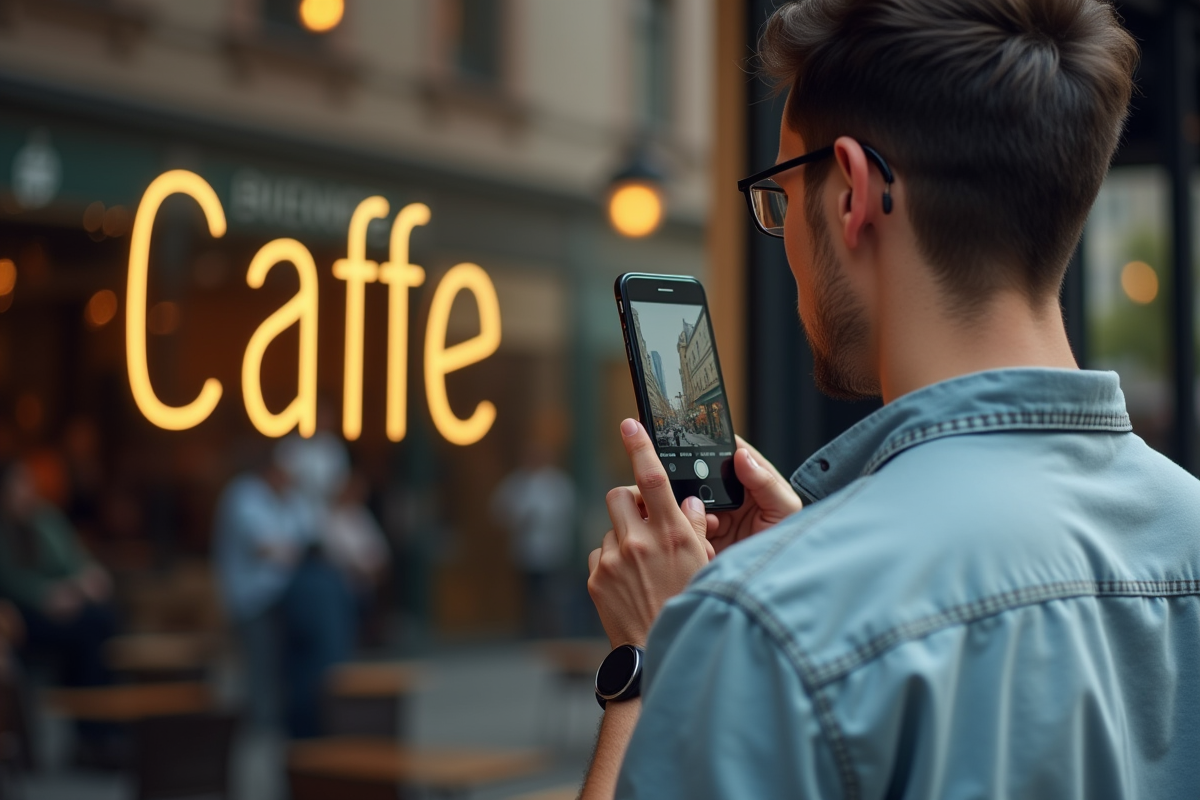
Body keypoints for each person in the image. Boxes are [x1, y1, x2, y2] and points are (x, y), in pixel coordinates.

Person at [581, 2, 1200, 798]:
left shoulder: (763, 630)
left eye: (779, 195)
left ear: (852, 193)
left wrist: (656, 655)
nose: (784, 241)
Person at [490, 444, 576, 638]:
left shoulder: (558, 482)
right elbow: (498, 511)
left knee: (551, 593)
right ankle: (530, 630)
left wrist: (540, 519)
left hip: (552, 550)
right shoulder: (516, 482)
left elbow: (565, 511)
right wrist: (517, 521)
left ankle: (552, 632)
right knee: (527, 592)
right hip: (524, 550)